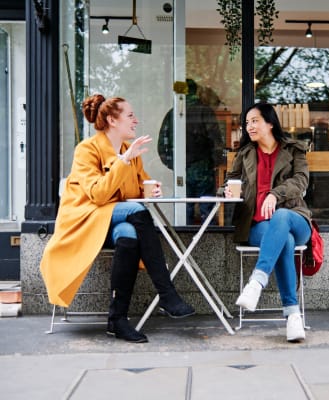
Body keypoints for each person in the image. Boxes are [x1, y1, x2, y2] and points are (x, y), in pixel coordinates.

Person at [40, 94, 195, 343]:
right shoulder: (87, 150)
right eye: (130, 115)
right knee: (137, 213)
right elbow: (99, 195)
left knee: (130, 235)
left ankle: (117, 320)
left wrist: (151, 188)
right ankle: (166, 293)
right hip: (84, 220)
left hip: (113, 221)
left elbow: (133, 192)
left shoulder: (128, 150)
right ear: (112, 120)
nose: (136, 120)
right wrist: (123, 161)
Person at [223, 102, 312, 342]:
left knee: (282, 219)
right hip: (258, 225)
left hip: (295, 217)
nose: (249, 126)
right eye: (247, 122)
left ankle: (257, 281)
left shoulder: (294, 150)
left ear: (270, 123)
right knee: (285, 241)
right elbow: (231, 180)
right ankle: (293, 316)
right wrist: (229, 191)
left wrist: (275, 194)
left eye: (254, 121)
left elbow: (301, 181)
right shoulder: (245, 154)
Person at [158, 79, 224, 224]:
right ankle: (210, 244)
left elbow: (162, 145)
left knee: (182, 212)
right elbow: (216, 142)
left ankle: (182, 243)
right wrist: (215, 163)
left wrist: (173, 164)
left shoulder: (172, 114)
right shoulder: (204, 111)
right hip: (203, 168)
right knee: (207, 211)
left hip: (181, 169)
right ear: (195, 91)